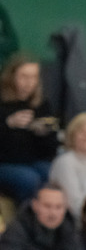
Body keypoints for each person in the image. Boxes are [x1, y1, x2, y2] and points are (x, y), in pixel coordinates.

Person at [0, 53, 59, 205]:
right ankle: (26, 220)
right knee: (28, 179)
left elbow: (52, 145)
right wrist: (8, 124)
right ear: (11, 76)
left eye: (34, 77)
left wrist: (43, 133)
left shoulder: (41, 104)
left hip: (32, 161)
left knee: (51, 173)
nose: (29, 82)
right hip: (5, 163)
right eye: (24, 76)